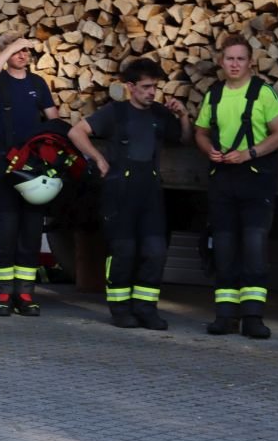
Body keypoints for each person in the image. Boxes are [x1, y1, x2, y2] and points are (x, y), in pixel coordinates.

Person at [68, 58, 191, 330]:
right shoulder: (115, 112)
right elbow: (76, 132)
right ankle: (120, 310)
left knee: (155, 251)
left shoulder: (160, 114)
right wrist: (99, 159)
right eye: (146, 87)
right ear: (130, 87)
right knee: (123, 251)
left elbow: (183, 139)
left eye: (155, 87)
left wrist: (183, 116)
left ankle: (146, 309)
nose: (152, 92)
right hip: (119, 194)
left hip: (150, 193)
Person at [193, 34, 278, 339]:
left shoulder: (263, 93)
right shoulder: (215, 94)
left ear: (250, 63)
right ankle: (225, 316)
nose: (234, 64)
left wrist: (250, 153)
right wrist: (207, 148)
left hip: (256, 179)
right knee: (223, 247)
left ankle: (252, 317)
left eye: (240, 59)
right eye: (229, 58)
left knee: (254, 247)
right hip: (222, 180)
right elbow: (200, 131)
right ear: (221, 62)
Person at [0, 31, 59, 316]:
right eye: (17, 51)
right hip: (5, 167)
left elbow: (54, 120)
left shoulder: (38, 84)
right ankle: (1, 295)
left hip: (34, 168)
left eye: (26, 51)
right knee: (8, 231)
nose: (23, 55)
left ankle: (25, 294)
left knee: (31, 233)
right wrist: (8, 47)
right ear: (4, 53)